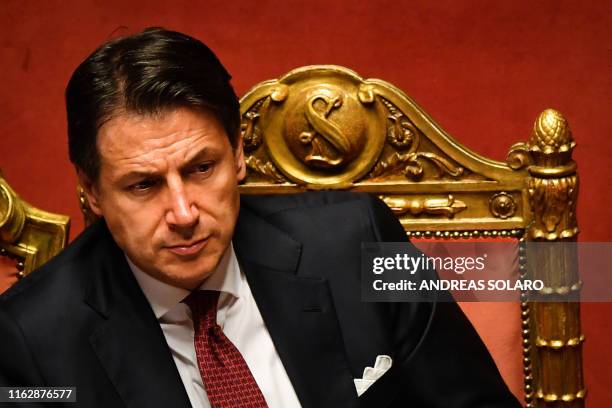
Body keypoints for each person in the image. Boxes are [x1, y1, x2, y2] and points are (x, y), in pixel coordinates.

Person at [0, 28, 520, 407]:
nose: (183, 214)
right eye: (143, 185)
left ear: (239, 155)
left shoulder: (359, 241)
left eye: (202, 168)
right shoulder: (32, 341)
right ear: (90, 191)